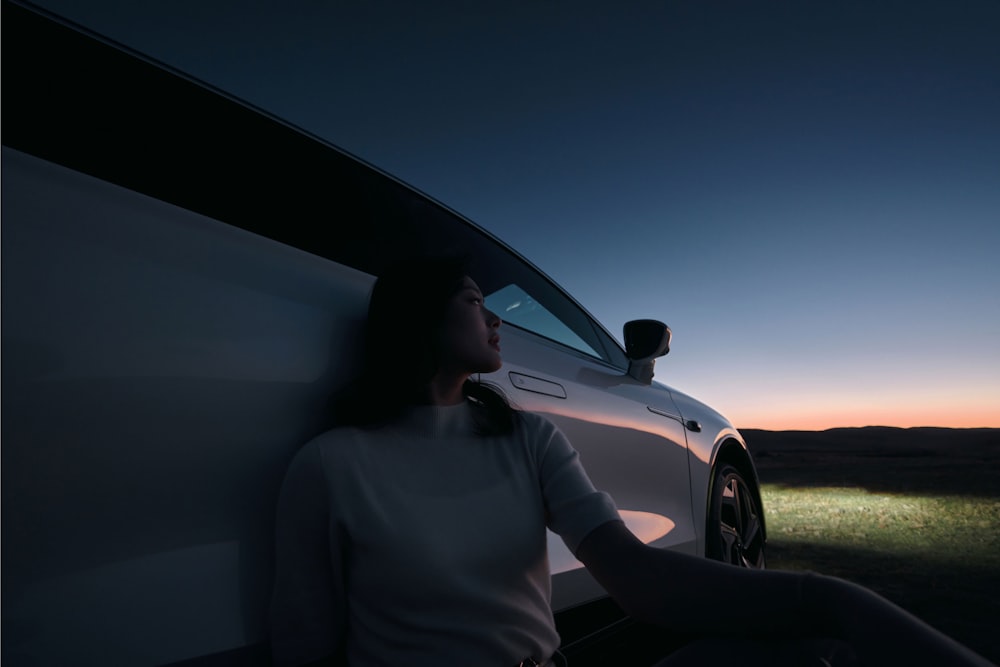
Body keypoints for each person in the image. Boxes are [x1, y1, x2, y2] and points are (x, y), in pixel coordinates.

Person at [270, 256, 992, 667]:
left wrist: (821, 597)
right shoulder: (332, 465)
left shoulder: (526, 439)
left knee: (807, 651)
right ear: (421, 321)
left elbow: (637, 576)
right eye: (473, 301)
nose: (495, 320)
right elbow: (304, 652)